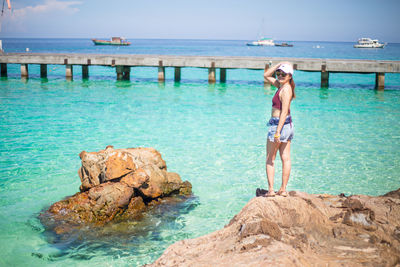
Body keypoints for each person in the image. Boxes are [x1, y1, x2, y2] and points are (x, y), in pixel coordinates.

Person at [263, 62, 295, 197]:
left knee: (270, 159)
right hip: (287, 125)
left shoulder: (286, 90)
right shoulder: (281, 86)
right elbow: (266, 75)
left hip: (279, 125)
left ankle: (272, 190)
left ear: (290, 76)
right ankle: (282, 189)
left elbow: (283, 111)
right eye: (279, 73)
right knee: (285, 158)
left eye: (284, 74)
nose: (280, 76)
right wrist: (278, 65)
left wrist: (277, 132)